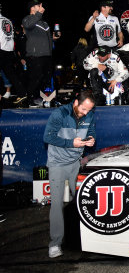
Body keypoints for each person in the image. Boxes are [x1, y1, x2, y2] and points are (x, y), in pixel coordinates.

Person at [43, 89, 96, 258]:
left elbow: (91, 131)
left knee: (83, 200)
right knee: (57, 204)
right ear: (75, 103)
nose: (86, 113)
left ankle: (88, 239)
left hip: (76, 163)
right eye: (83, 109)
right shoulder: (59, 114)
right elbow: (48, 137)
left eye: (89, 110)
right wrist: (70, 142)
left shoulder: (89, 115)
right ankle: (55, 243)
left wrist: (91, 138)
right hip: (57, 163)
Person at [22, 0, 59, 106]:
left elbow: (47, 39)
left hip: (46, 54)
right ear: (32, 8)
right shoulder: (27, 19)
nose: (41, 7)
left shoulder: (44, 23)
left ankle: (42, 98)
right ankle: (30, 99)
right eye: (38, 5)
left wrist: (54, 38)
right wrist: (39, 14)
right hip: (35, 55)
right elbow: (28, 25)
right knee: (35, 78)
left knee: (45, 79)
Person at [0, 6, 26, 103]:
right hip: (9, 50)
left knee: (9, 73)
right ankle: (22, 93)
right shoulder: (8, 21)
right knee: (10, 74)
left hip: (1, 49)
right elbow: (10, 36)